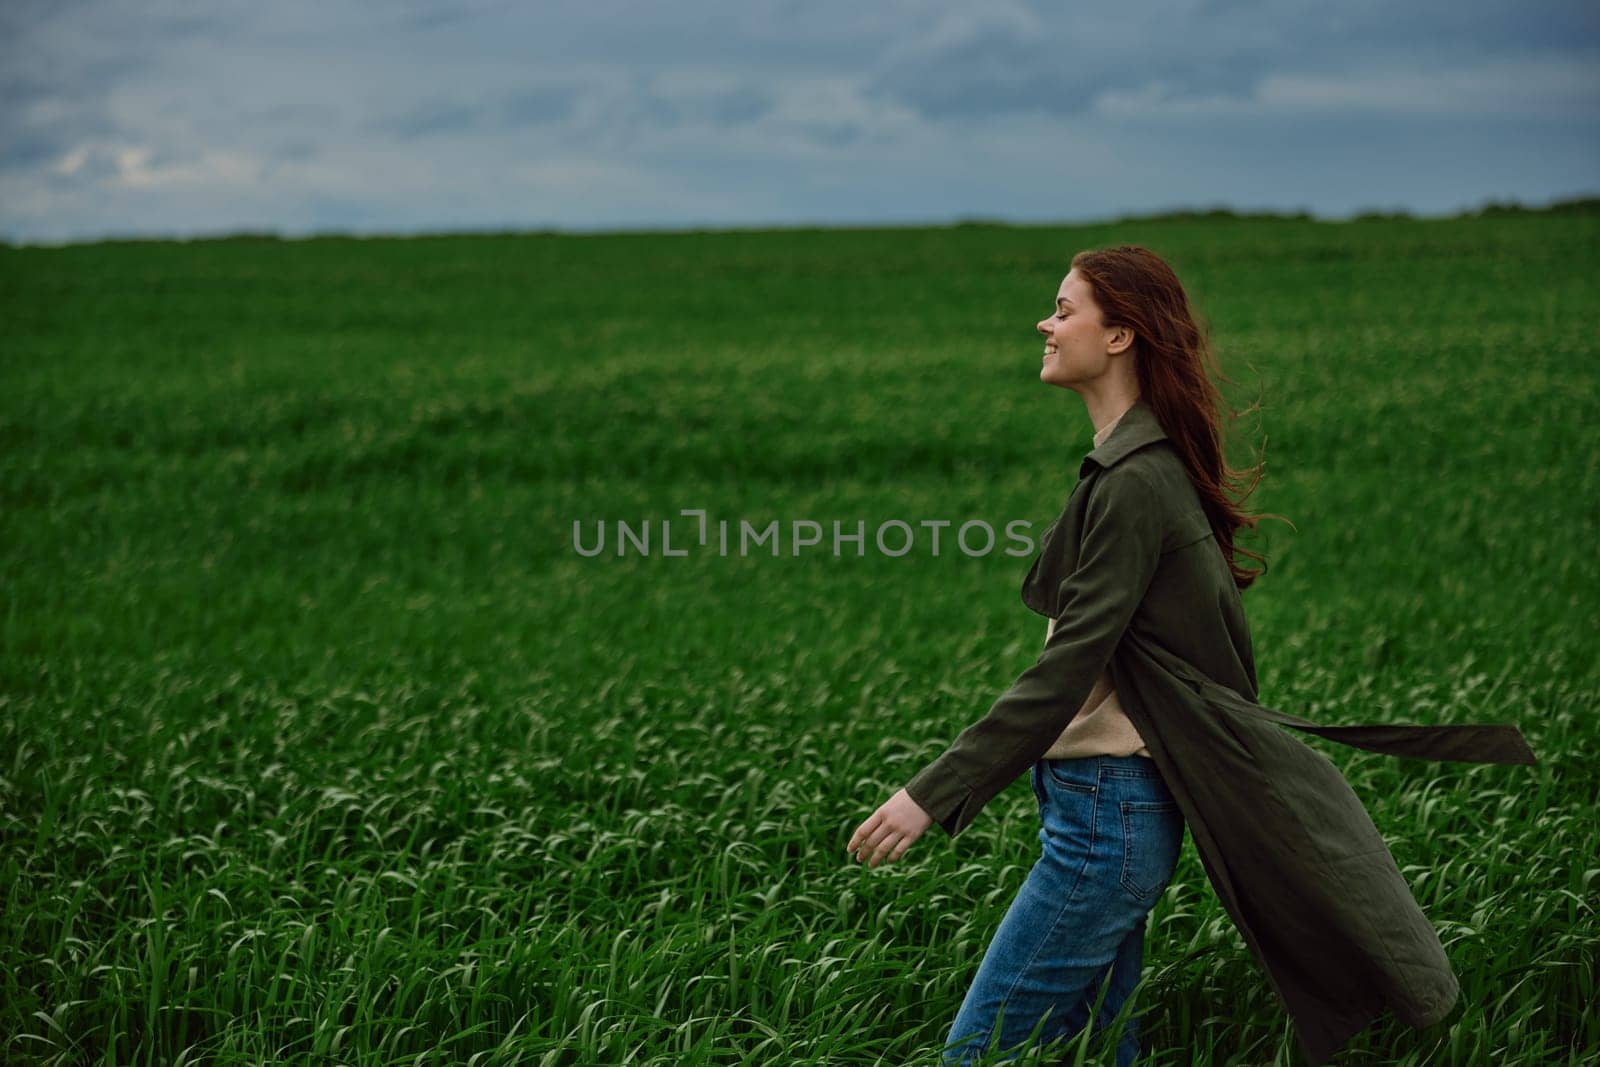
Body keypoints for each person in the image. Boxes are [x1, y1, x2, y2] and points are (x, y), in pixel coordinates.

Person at [844, 245, 1536, 1067]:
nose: (1045, 320)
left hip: (1107, 821)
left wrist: (932, 794)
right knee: (1106, 1049)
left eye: (1065, 308)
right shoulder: (1136, 465)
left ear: (1119, 337)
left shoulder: (1137, 479)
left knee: (976, 1049)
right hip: (1107, 810)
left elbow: (1066, 670)